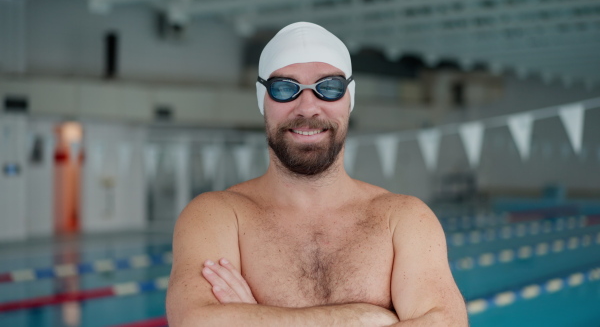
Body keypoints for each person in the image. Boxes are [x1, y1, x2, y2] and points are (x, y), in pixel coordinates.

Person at [166, 22, 468, 326]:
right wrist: (362, 318)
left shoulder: (403, 218)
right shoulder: (216, 215)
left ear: (349, 98)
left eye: (329, 88)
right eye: (285, 88)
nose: (308, 108)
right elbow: (195, 321)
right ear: (263, 100)